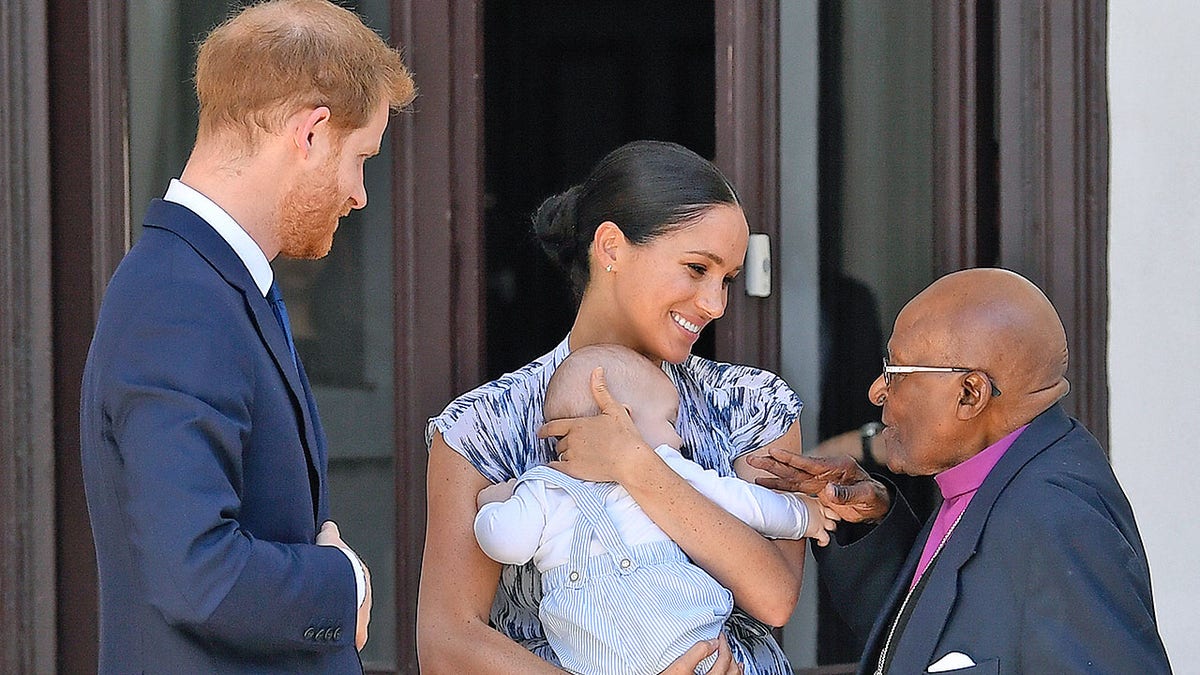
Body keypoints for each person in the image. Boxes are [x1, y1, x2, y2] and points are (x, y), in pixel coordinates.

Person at [79, 1, 415, 672]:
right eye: (361, 158)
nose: (359, 194)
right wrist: (342, 585)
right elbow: (196, 573)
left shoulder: (212, 283)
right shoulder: (179, 299)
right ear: (312, 132)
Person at [419, 140, 810, 674]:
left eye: (727, 281)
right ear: (610, 249)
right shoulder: (483, 426)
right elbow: (447, 643)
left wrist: (636, 465)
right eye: (697, 268)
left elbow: (775, 596)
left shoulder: (751, 405)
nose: (716, 304)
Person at [749, 268, 1172, 673]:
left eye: (895, 372)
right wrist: (874, 521)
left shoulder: (1056, 516)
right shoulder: (996, 475)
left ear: (970, 394)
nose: (877, 390)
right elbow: (935, 636)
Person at [474, 344, 837, 675]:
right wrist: (806, 515)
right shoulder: (667, 461)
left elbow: (507, 542)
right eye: (669, 421)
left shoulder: (542, 487)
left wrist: (493, 502)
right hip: (690, 637)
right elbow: (746, 504)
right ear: (625, 419)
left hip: (599, 654)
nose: (679, 437)